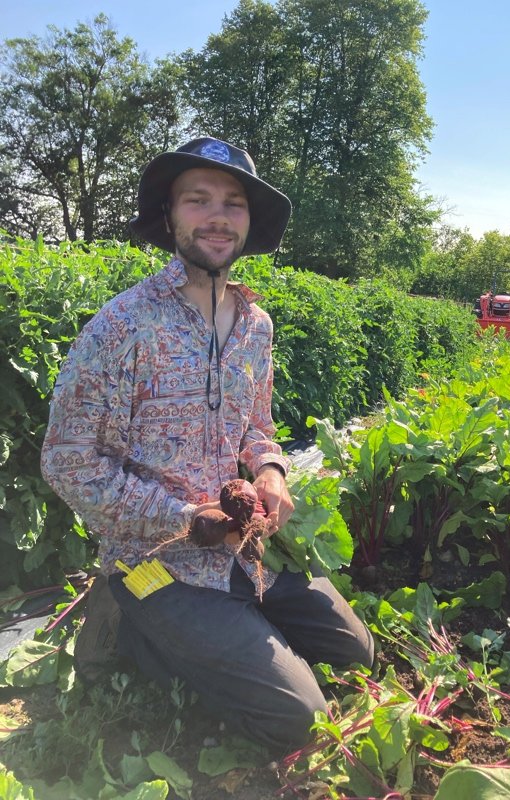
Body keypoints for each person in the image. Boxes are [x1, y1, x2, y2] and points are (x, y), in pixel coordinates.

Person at [41, 136, 374, 753]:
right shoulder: (121, 327)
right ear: (169, 215)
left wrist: (270, 471)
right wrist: (188, 520)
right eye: (198, 199)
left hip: (240, 552)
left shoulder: (255, 324)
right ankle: (130, 626)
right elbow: (69, 462)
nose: (218, 216)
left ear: (250, 222)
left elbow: (258, 424)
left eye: (234, 202)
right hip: (158, 564)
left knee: (356, 651)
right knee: (302, 723)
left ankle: (228, 628)